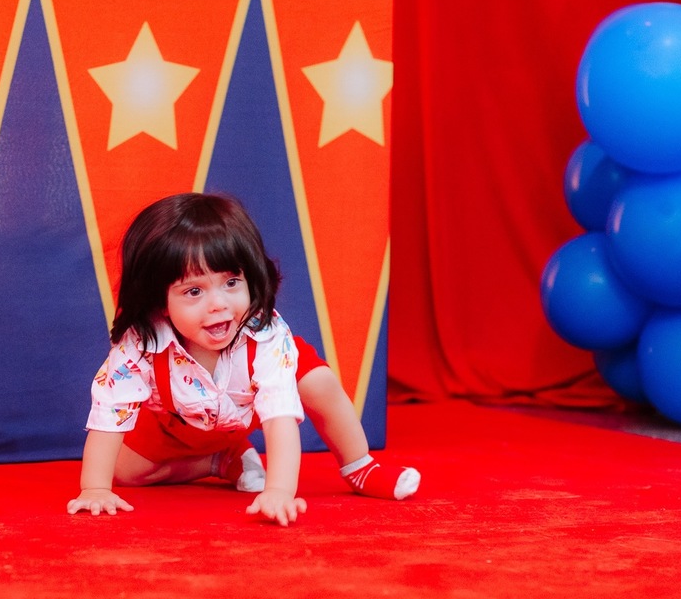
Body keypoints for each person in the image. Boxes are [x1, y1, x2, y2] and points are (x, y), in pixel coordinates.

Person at [66, 192, 420, 525]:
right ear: (160, 302)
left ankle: (360, 466)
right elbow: (108, 417)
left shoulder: (265, 336)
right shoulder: (140, 346)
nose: (219, 303)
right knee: (125, 471)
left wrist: (278, 492)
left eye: (231, 282)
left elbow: (280, 419)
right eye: (194, 291)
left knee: (318, 381)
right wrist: (94, 488)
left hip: (248, 407)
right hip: (183, 425)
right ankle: (221, 461)